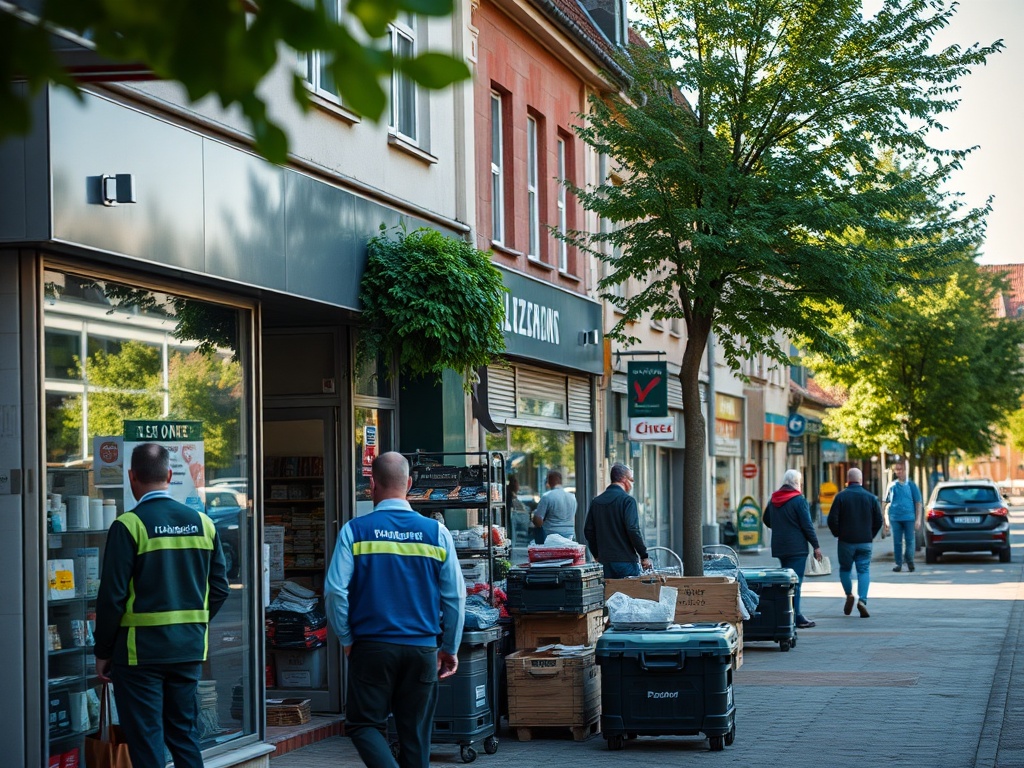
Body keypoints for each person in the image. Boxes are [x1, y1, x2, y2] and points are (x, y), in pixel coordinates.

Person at [325, 452, 466, 768]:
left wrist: (347, 638)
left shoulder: (355, 531)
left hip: (371, 646)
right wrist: (449, 648)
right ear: (410, 484)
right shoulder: (436, 533)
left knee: (364, 725)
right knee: (415, 736)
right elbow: (456, 597)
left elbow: (335, 592)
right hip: (422, 649)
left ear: (371, 484)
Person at [94, 443, 230, 768]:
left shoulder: (128, 526)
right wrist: (192, 623)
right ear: (169, 475)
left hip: (139, 655)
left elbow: (112, 597)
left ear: (132, 477)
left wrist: (103, 651)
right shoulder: (204, 524)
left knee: (147, 742)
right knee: (184, 736)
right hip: (188, 650)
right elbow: (221, 588)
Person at [763, 469, 823, 629]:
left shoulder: (774, 498)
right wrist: (816, 546)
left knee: (786, 583)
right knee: (795, 583)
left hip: (780, 547)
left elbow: (766, 519)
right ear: (796, 483)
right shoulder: (798, 500)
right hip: (797, 548)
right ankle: (796, 617)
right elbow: (807, 525)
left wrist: (780, 527)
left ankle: (787, 615)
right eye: (800, 482)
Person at [827, 467, 883, 618]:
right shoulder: (871, 498)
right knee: (863, 570)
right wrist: (870, 535)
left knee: (845, 569)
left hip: (846, 541)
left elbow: (832, 519)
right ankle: (862, 600)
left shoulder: (841, 497)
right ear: (861, 480)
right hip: (865, 541)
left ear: (847, 480)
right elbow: (879, 520)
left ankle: (849, 594)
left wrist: (838, 533)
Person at [583, 462, 652, 578]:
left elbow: (588, 531)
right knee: (628, 595)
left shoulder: (596, 501)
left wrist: (596, 554)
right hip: (625, 560)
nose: (632, 483)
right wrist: (643, 555)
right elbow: (632, 528)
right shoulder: (627, 501)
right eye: (631, 479)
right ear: (624, 480)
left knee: (608, 595)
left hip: (604, 562)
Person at [883, 461, 923, 572]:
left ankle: (909, 560)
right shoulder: (892, 486)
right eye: (897, 469)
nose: (899, 471)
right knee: (897, 541)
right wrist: (886, 519)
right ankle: (898, 564)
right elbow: (886, 503)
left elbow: (918, 503)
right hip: (895, 518)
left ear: (906, 470)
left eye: (901, 469)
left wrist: (918, 519)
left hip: (909, 518)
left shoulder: (911, 485)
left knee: (910, 541)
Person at [532, 469, 577, 541]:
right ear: (561, 481)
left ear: (549, 481)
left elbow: (538, 522)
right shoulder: (572, 497)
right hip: (569, 535)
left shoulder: (547, 496)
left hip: (550, 535)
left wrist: (534, 516)